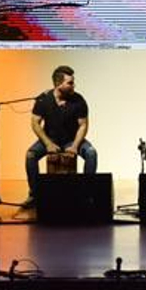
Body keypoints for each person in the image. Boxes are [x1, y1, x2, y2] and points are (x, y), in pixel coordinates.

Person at [25, 65, 97, 202]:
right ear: (58, 84)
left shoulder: (79, 100)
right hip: (50, 139)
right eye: (69, 83)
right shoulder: (43, 100)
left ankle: (88, 193)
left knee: (91, 153)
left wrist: (75, 146)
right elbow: (35, 123)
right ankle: (34, 195)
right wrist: (48, 143)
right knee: (30, 155)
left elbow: (83, 125)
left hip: (71, 140)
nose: (73, 85)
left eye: (73, 82)